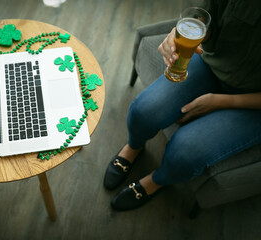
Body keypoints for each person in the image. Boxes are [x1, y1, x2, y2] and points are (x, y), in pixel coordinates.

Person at [104, 0, 261, 211]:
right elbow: (205, 16)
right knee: (143, 112)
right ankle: (134, 147)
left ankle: (157, 180)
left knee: (184, 155)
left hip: (254, 106)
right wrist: (177, 36)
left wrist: (221, 101)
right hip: (213, 65)